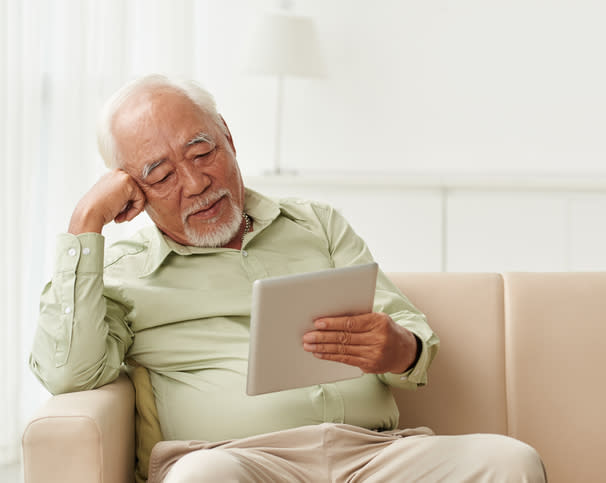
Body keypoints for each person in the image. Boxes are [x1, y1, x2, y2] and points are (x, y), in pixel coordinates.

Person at [29, 74, 546, 482]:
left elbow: (407, 332)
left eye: (203, 152)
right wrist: (85, 224)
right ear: (132, 193)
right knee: (202, 479)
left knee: (509, 463)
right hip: (235, 462)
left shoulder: (316, 225)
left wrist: (399, 348)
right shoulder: (121, 272)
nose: (195, 182)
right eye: (161, 175)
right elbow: (69, 373)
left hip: (374, 456)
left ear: (229, 139)